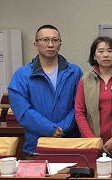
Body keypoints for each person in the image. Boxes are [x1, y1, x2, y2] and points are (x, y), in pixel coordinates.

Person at [8, 24, 83, 155]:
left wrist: (61, 128)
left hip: (70, 142)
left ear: (60, 44)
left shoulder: (74, 72)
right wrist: (50, 129)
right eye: (45, 40)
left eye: (55, 40)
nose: (50, 44)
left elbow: (81, 106)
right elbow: (23, 111)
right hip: (37, 145)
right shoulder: (22, 75)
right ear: (35, 45)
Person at [75, 36, 112, 161]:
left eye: (110, 51)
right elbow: (79, 112)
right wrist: (93, 141)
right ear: (94, 56)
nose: (106, 55)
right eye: (101, 51)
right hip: (92, 145)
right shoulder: (85, 79)